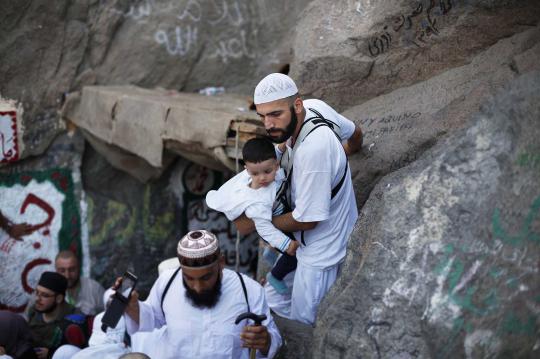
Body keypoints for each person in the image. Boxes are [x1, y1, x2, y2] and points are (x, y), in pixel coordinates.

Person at [234, 73, 363, 325]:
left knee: (306, 321)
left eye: (275, 114)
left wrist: (259, 222)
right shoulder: (317, 107)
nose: (268, 124)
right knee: (270, 296)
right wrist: (348, 152)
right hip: (306, 243)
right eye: (262, 116)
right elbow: (356, 133)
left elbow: (308, 221)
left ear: (297, 105)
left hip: (321, 255)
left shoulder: (312, 152)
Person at [120, 230, 282, 359]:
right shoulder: (167, 282)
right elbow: (152, 318)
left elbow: (272, 338)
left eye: (206, 277)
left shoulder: (249, 290)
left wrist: (265, 340)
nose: (197, 287)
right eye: (189, 278)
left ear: (221, 263)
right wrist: (133, 308)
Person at [206, 137, 298, 294]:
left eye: (267, 171)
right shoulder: (257, 203)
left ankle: (271, 250)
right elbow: (265, 229)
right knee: (294, 258)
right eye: (255, 174)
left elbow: (273, 153)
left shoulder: (265, 167)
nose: (262, 178)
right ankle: (275, 276)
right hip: (273, 225)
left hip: (280, 208)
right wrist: (286, 244)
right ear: (247, 170)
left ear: (276, 165)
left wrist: (281, 147)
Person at [27, 272, 89, 359]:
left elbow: (81, 353)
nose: (37, 299)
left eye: (45, 295)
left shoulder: (75, 320)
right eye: (37, 292)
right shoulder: (33, 312)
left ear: (59, 298)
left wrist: (51, 354)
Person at [55, 250, 104, 316]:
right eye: (62, 271)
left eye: (72, 270)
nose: (67, 275)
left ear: (79, 268)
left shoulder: (95, 288)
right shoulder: (49, 292)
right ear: (56, 270)